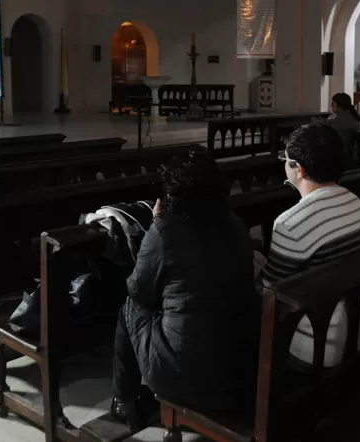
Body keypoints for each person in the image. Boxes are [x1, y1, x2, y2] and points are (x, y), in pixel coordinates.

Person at [111, 151, 258, 429]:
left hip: (186, 377)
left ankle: (123, 400)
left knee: (129, 309)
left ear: (171, 190)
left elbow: (138, 290)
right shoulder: (235, 224)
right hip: (238, 371)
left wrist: (155, 225)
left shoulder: (165, 229)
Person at [261, 123, 360, 367]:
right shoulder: (356, 203)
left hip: (314, 348)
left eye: (286, 158)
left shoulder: (289, 223)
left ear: (299, 169)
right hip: (358, 336)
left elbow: (269, 296)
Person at [329, 92, 360, 166]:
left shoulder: (343, 118)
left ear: (339, 105)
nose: (331, 105)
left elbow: (332, 130)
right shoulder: (350, 115)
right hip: (350, 153)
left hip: (342, 154)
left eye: (333, 103)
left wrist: (322, 124)